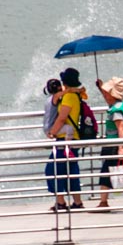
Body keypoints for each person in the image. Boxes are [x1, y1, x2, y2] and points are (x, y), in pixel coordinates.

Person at [45, 68, 89, 210]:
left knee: (52, 170)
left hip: (65, 141)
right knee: (71, 170)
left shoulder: (69, 97)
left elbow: (62, 117)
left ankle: (61, 202)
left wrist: (52, 132)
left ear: (64, 81)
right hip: (73, 139)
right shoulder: (76, 95)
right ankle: (77, 202)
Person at [93, 77, 123, 210]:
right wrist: (100, 87)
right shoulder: (117, 105)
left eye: (107, 93)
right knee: (106, 174)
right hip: (111, 146)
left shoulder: (116, 110)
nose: (106, 95)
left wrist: (121, 148)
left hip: (115, 147)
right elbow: (109, 99)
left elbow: (121, 129)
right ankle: (103, 202)